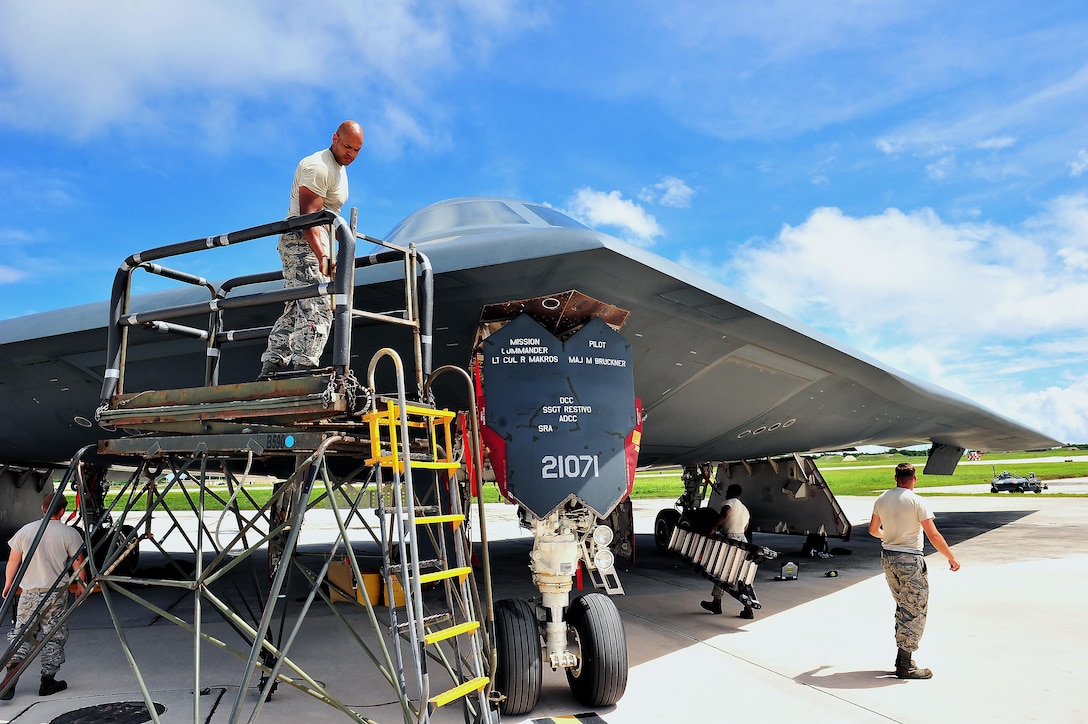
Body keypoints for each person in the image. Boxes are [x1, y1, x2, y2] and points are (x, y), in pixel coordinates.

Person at [259, 120, 364, 379]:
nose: (351, 153)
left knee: (297, 306)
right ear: (335, 138)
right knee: (318, 303)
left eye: (357, 150)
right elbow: (309, 217)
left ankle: (273, 364)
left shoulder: (339, 167)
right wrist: (323, 256)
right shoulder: (318, 166)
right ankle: (303, 370)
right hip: (301, 240)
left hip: (317, 240)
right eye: (347, 146)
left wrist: (344, 241)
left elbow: (330, 214)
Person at [869, 462, 961, 679]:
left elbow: (873, 530)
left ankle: (902, 658)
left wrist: (889, 536)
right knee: (915, 610)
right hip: (909, 559)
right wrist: (951, 557)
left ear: (895, 478)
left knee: (903, 606)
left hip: (888, 558)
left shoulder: (882, 499)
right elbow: (934, 535)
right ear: (914, 479)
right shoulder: (917, 501)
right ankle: (905, 665)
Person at [3, 492, 86, 699]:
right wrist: (82, 585)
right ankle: (47, 682)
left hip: (29, 594)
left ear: (43, 508)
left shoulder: (26, 530)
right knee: (54, 636)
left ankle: (11, 679)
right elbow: (78, 563)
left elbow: (13, 561)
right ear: (63, 511)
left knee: (22, 633)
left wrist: (8, 583)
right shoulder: (70, 534)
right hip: (55, 595)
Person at [700, 484, 754, 619]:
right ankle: (748, 608)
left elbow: (725, 514)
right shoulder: (744, 509)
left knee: (721, 572)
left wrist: (713, 528)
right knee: (742, 575)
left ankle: (717, 603)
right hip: (743, 541)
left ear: (730, 492)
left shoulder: (729, 503)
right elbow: (746, 527)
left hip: (731, 540)